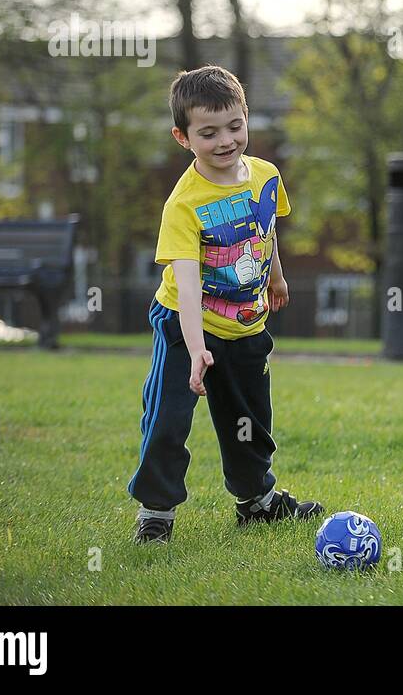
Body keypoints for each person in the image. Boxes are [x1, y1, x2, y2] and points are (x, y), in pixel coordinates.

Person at [128, 65, 323, 543]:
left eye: (235, 126)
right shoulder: (183, 205)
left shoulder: (265, 175)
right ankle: (156, 512)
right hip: (184, 323)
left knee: (249, 423)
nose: (226, 141)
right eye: (208, 132)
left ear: (246, 118)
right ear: (183, 136)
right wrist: (196, 349)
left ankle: (257, 502)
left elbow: (265, 230)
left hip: (245, 326)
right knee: (168, 418)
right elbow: (188, 285)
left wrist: (275, 277)